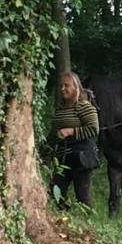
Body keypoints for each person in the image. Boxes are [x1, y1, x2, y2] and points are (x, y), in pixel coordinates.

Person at [50, 70, 100, 209]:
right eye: (61, 86)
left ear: (75, 87)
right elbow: (54, 132)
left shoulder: (84, 107)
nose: (62, 89)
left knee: (82, 195)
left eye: (66, 86)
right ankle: (64, 217)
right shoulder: (60, 109)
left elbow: (93, 129)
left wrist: (71, 131)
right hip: (63, 157)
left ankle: (87, 225)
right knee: (56, 191)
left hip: (81, 156)